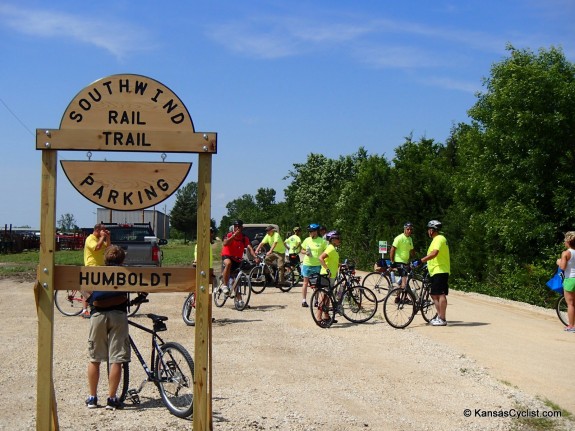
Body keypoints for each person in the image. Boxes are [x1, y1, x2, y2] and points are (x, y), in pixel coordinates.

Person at [85, 245, 130, 410]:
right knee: (117, 358)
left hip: (98, 315)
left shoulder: (96, 272)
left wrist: (91, 301)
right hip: (118, 315)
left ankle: (92, 397)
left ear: (105, 258)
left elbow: (83, 287)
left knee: (95, 358)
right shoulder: (126, 273)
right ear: (122, 259)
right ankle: (111, 398)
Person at [416, 220, 450, 326]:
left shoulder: (439, 239)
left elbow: (435, 253)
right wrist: (427, 266)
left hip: (440, 270)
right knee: (434, 294)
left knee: (440, 294)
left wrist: (421, 261)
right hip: (435, 270)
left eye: (428, 229)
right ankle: (439, 316)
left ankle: (442, 318)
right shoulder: (436, 240)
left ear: (432, 230)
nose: (427, 232)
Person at [220, 220, 256, 304]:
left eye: (239, 226)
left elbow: (249, 247)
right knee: (228, 263)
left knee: (236, 281)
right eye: (235, 226)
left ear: (242, 227)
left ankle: (239, 300)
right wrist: (234, 235)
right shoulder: (229, 235)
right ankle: (225, 285)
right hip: (227, 255)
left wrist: (255, 256)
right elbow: (225, 243)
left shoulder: (244, 238)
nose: (237, 228)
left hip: (237, 259)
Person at [82, 224, 111, 318]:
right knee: (88, 287)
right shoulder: (90, 239)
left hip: (100, 266)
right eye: (103, 230)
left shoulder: (100, 239)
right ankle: (84, 310)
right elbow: (96, 248)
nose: (104, 231)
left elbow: (108, 248)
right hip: (91, 266)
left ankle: (95, 305)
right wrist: (102, 237)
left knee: (97, 288)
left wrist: (107, 237)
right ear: (97, 230)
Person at [300, 223, 327, 307]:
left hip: (317, 265)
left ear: (316, 231)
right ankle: (304, 300)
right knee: (305, 283)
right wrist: (306, 252)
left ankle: (316, 300)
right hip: (307, 264)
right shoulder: (307, 240)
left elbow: (326, 252)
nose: (311, 233)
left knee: (316, 284)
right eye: (310, 231)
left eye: (312, 231)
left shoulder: (322, 241)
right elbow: (301, 250)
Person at [556, 231, 575, 332]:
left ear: (568, 242)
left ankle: (571, 326)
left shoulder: (566, 253)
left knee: (570, 304)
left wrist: (559, 262)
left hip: (570, 279)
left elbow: (563, 267)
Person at [390, 222, 416, 292]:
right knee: (404, 281)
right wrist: (392, 261)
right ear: (404, 229)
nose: (409, 231)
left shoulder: (410, 239)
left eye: (410, 229)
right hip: (399, 262)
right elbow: (392, 249)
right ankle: (404, 298)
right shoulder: (399, 238)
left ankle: (398, 298)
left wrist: (416, 259)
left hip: (405, 262)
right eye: (408, 229)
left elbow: (412, 250)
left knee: (403, 280)